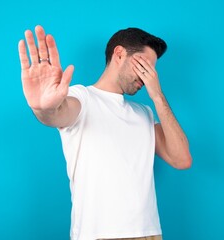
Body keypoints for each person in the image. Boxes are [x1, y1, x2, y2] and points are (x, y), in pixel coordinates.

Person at [18, 25, 192, 240]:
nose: (147, 78)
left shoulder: (144, 114)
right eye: (144, 66)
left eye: (152, 72)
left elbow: (182, 159)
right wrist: (43, 107)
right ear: (119, 54)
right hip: (100, 234)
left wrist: (157, 96)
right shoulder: (82, 97)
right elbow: (57, 114)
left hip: (150, 234)